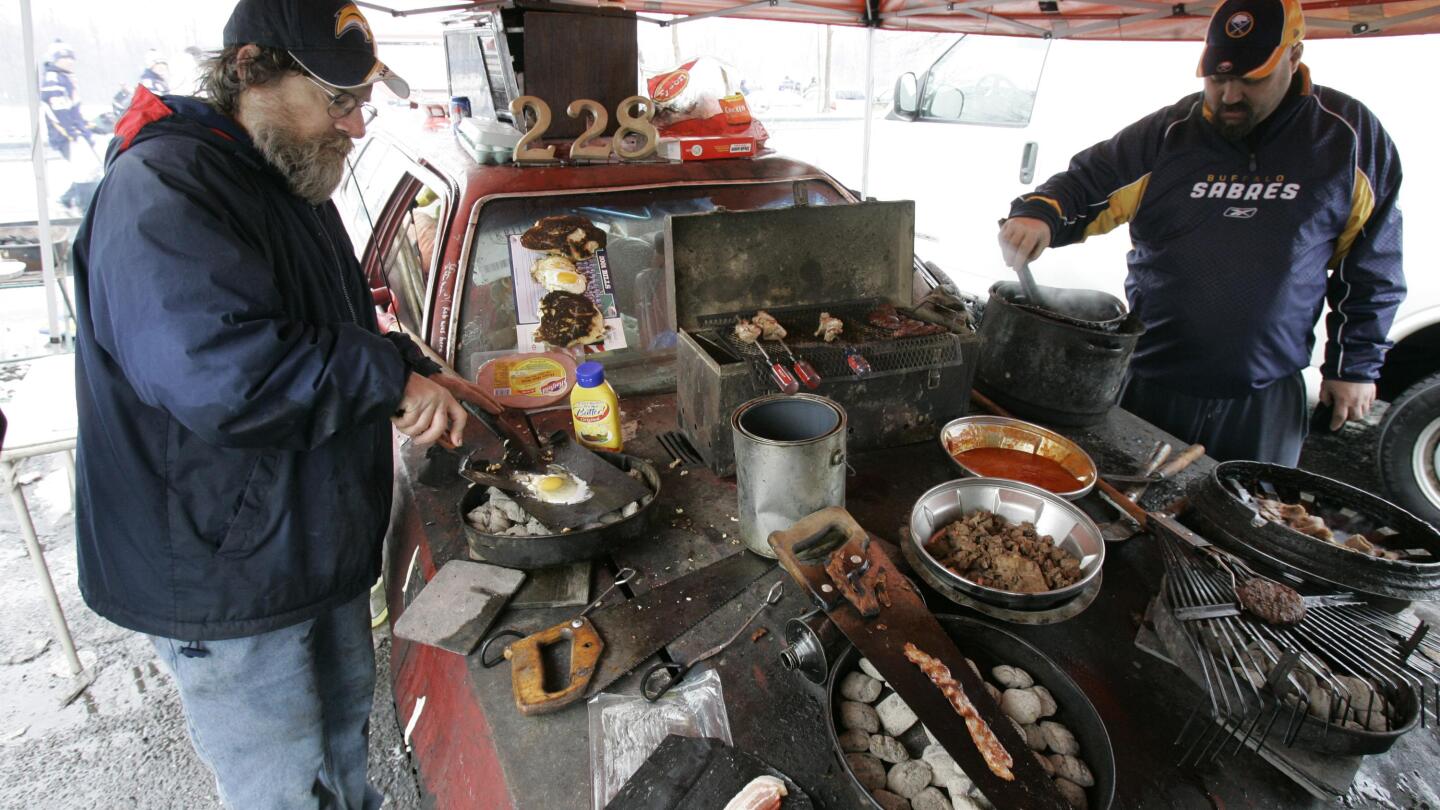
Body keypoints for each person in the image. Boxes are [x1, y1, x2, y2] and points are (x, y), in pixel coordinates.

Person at [71, 1, 474, 806]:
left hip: (295, 543)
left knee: (337, 756)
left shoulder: (280, 169)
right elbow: (222, 372)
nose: (356, 126)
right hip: (222, 565)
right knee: (286, 787)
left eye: (362, 102)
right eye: (339, 101)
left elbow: (322, 321)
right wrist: (385, 382)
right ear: (252, 70)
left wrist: (406, 363)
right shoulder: (165, 187)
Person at [997, 0, 1405, 465]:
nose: (1230, 96)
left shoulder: (1346, 138)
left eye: (1250, 80)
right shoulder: (1171, 133)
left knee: (1251, 518)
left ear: (1294, 58)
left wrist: (1354, 365)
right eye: (1217, 79)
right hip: (1153, 377)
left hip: (1264, 391)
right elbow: (1086, 183)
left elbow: (1372, 263)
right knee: (1129, 504)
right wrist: (1039, 215)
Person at [40, 40, 98, 212]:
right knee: (85, 170)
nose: (69, 61)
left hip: (75, 131)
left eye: (70, 58)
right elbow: (59, 110)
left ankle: (72, 201)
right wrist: (72, 132)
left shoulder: (65, 78)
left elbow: (73, 109)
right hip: (67, 134)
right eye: (64, 58)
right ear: (54, 60)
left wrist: (86, 126)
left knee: (90, 169)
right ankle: (81, 205)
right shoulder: (53, 79)